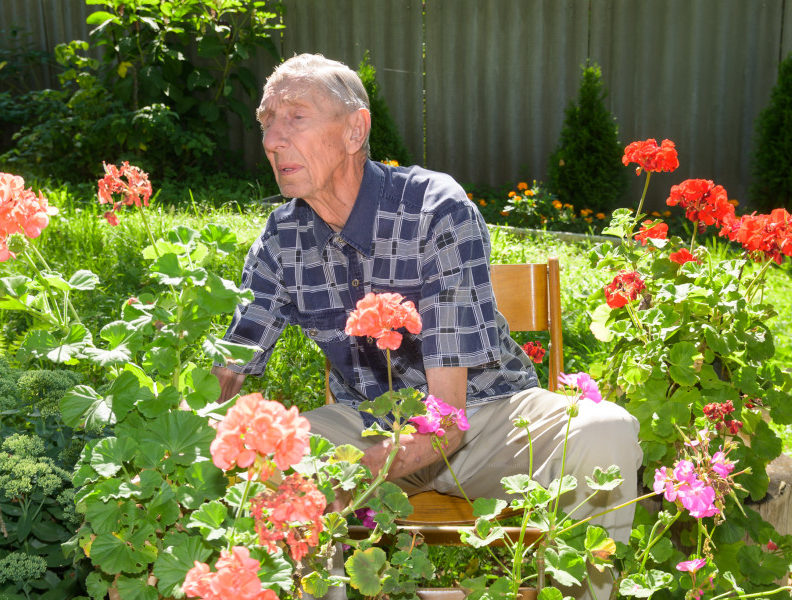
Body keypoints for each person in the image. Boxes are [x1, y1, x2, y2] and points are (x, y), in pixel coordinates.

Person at [211, 53, 642, 600]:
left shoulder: (435, 208)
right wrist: (186, 429)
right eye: (266, 120)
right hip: (367, 423)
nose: (273, 138)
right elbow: (233, 358)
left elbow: (449, 421)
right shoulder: (281, 237)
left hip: (487, 418)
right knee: (275, 461)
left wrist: (351, 476)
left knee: (603, 431)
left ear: (354, 130)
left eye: (295, 116)